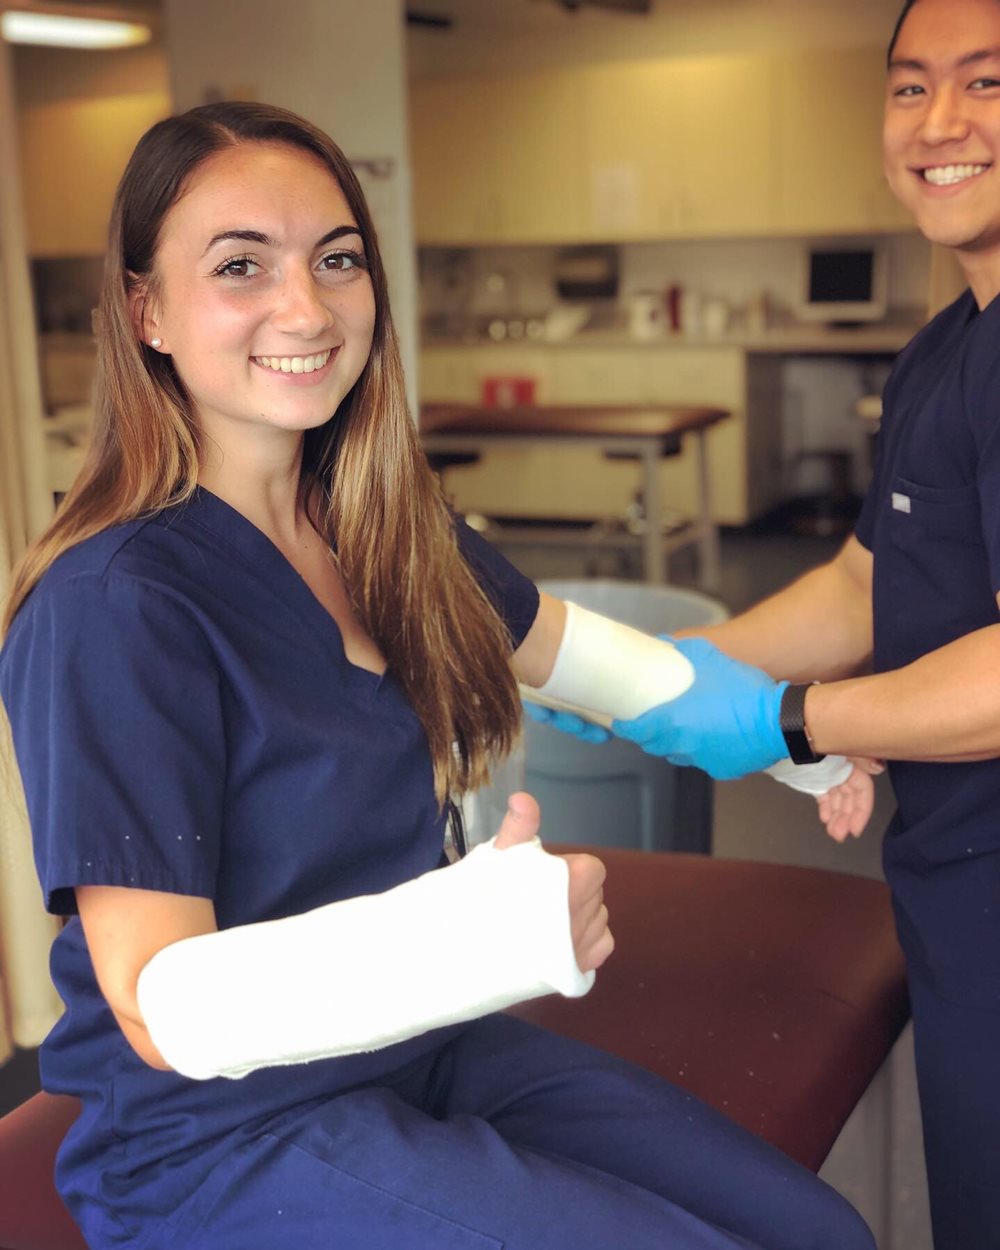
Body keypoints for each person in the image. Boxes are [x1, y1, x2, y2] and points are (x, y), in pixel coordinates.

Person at [0, 102, 875, 1250]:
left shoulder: (379, 526)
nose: (304, 306)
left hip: (419, 1051)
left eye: (337, 258)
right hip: (220, 1139)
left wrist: (778, 731)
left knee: (818, 1231)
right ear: (145, 310)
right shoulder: (115, 602)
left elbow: (599, 665)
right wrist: (477, 939)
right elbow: (165, 1004)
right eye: (240, 265)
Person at [534, 2, 1000, 1245]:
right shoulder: (942, 352)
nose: (939, 123)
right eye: (908, 89)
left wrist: (788, 721)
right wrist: (668, 671)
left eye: (984, 82)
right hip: (955, 876)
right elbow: (863, 583)